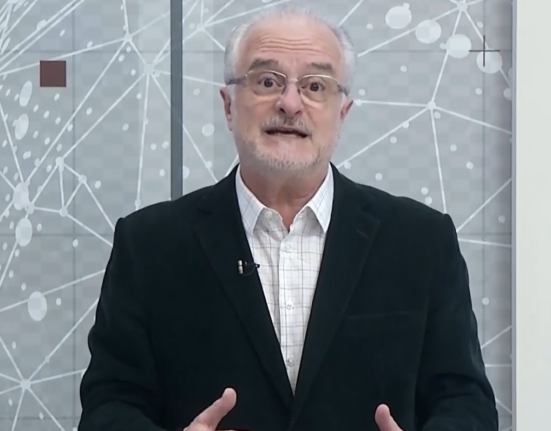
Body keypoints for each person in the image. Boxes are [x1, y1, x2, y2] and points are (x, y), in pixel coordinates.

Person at [78, 5, 498, 431]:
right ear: (228, 106)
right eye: (267, 81)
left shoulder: (421, 241)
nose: (290, 103)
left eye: (315, 86)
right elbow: (109, 405)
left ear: (342, 113)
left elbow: (466, 403)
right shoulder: (149, 245)